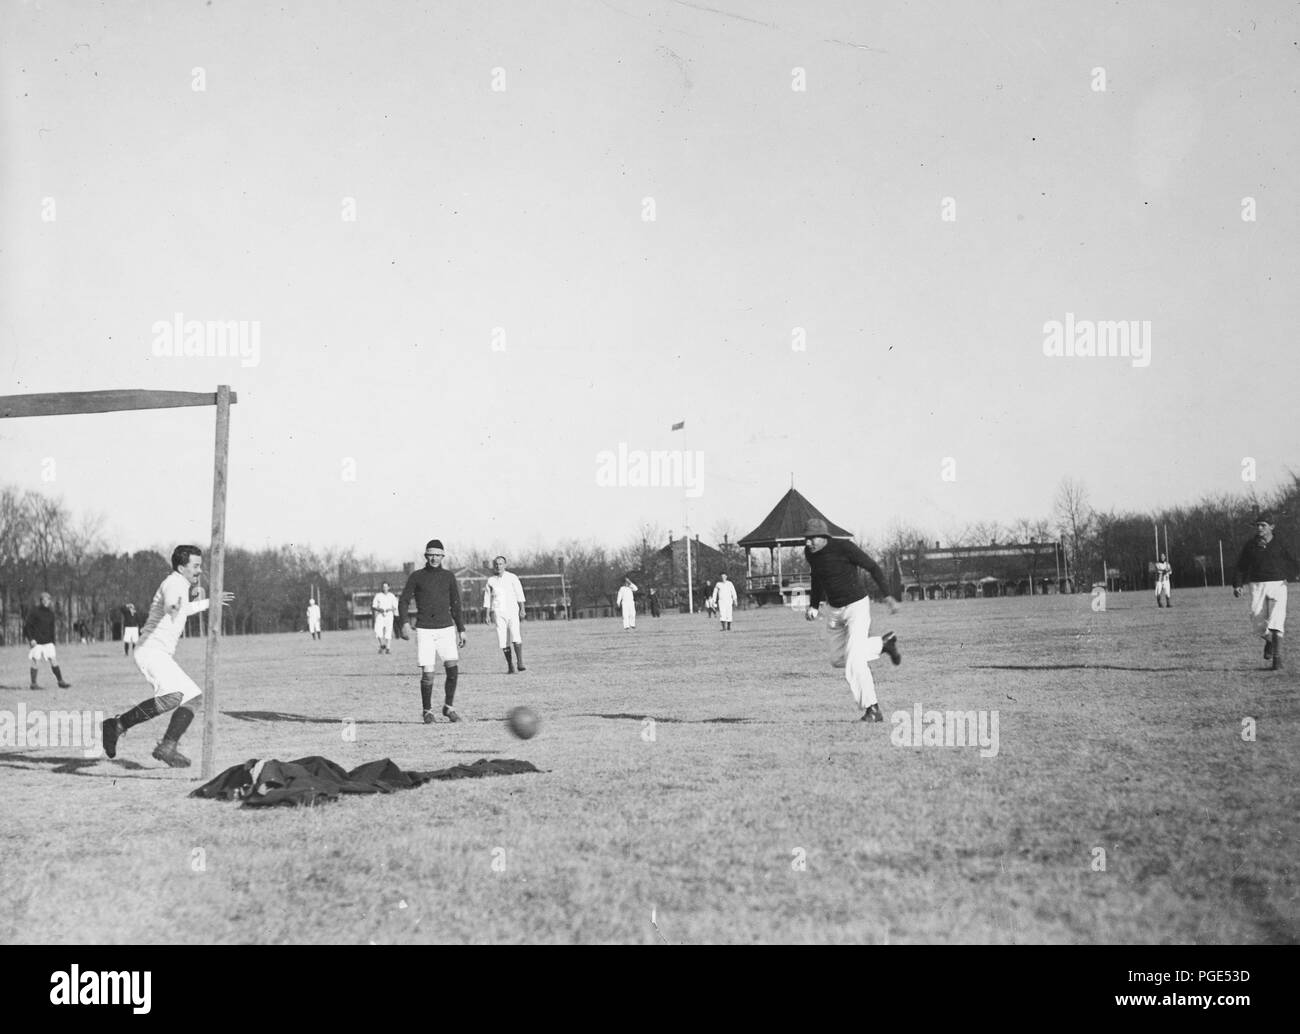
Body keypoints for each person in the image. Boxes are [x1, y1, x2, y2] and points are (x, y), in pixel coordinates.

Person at [101, 545, 234, 767]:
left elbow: (183, 608)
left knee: (178, 698)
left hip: (155, 652)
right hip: (151, 651)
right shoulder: (174, 583)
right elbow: (172, 602)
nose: (199, 571)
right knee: (191, 697)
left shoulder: (180, 583)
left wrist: (210, 602)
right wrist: (172, 606)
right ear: (181, 567)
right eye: (196, 566)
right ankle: (165, 745)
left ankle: (118, 726)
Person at [803, 518, 901, 722]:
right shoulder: (810, 554)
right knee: (838, 659)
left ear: (824, 537)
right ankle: (882, 644)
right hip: (834, 610)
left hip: (856, 606)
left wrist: (887, 595)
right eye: (806, 539)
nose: (808, 543)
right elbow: (817, 578)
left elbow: (873, 567)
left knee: (854, 661)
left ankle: (872, 709)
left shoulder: (843, 547)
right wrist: (814, 605)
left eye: (812, 538)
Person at [398, 539, 468, 723]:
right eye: (431, 554)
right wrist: (404, 622)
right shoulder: (416, 576)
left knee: (452, 669)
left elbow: (456, 604)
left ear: (443, 556)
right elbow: (403, 600)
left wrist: (461, 629)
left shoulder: (448, 577)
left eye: (438, 555)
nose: (434, 558)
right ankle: (427, 711)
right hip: (425, 630)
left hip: (446, 628)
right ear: (426, 556)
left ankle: (449, 707)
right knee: (428, 673)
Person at [1232, 512, 1299, 670]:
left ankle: (1277, 659)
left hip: (1278, 585)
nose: (1260, 528)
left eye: (1263, 525)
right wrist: (1237, 584)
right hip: (1257, 585)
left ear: (1272, 527)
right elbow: (1241, 566)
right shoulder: (1250, 545)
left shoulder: (1281, 543)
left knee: (1277, 621)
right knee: (1258, 623)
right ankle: (1270, 641)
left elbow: (1293, 560)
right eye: (1257, 525)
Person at [486, 555, 527, 673]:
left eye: (501, 564)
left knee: (515, 635)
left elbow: (520, 594)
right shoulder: (491, 581)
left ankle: (520, 662)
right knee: (503, 639)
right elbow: (487, 599)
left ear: (505, 565)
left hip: (512, 611)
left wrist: (522, 609)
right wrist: (487, 614)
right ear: (494, 566)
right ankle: (510, 665)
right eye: (496, 564)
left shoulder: (512, 578)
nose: (498, 566)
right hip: (498, 612)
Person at [24, 592, 71, 689]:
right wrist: (31, 639)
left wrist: (53, 641)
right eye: (43, 600)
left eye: (47, 600)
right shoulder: (34, 611)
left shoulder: (51, 613)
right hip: (36, 642)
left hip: (48, 642)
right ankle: (33, 684)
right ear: (41, 601)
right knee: (35, 661)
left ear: (50, 601)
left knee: (53, 660)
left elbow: (52, 628)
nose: (46, 602)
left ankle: (61, 682)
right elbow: (27, 626)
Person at [372, 581, 398, 654]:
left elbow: (395, 607)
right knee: (377, 630)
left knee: (388, 631)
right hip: (380, 615)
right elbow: (374, 606)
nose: (385, 588)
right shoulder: (378, 595)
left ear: (389, 587)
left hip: (389, 615)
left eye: (386, 587)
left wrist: (389, 609)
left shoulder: (392, 596)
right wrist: (379, 609)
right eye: (383, 587)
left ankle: (388, 648)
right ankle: (382, 645)